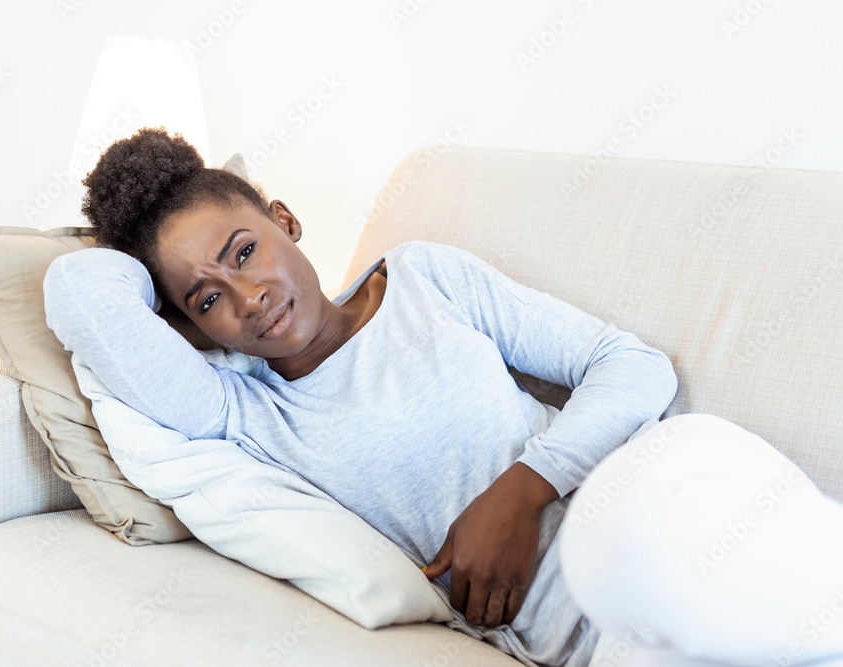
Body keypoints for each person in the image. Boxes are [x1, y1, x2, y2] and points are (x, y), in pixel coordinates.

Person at [43, 127, 843, 667]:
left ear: (285, 218)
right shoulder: (243, 411)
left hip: (659, 493)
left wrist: (522, 491)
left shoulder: (422, 278)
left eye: (244, 250)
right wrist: (135, 256)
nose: (246, 296)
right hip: (608, 643)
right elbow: (79, 294)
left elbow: (632, 365)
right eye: (206, 299)